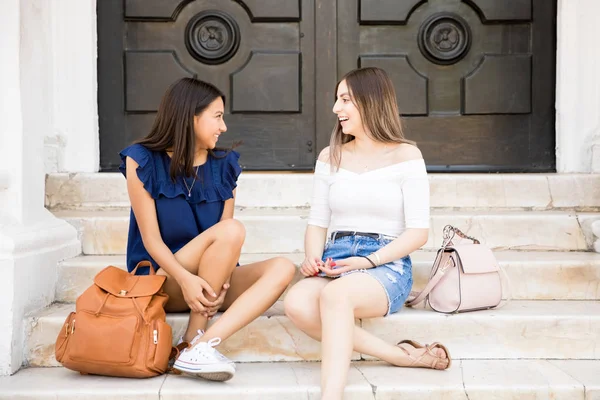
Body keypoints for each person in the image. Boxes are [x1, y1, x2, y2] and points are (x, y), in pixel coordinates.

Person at [284, 67, 451, 399]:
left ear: (370, 102)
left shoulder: (406, 156)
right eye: (337, 99)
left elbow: (418, 233)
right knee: (297, 303)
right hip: (338, 258)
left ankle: (331, 395)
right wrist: (313, 258)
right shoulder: (329, 157)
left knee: (335, 297)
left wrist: (367, 260)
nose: (336, 108)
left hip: (385, 263)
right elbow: (317, 222)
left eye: (345, 99)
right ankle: (400, 355)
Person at [119, 77, 296, 382]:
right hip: (164, 279)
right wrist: (187, 280)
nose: (223, 127)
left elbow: (227, 241)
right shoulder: (142, 160)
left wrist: (224, 276)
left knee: (282, 267)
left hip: (212, 285)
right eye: (217, 116)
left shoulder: (224, 164)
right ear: (191, 118)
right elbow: (151, 241)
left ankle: (199, 346)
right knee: (231, 230)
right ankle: (192, 338)